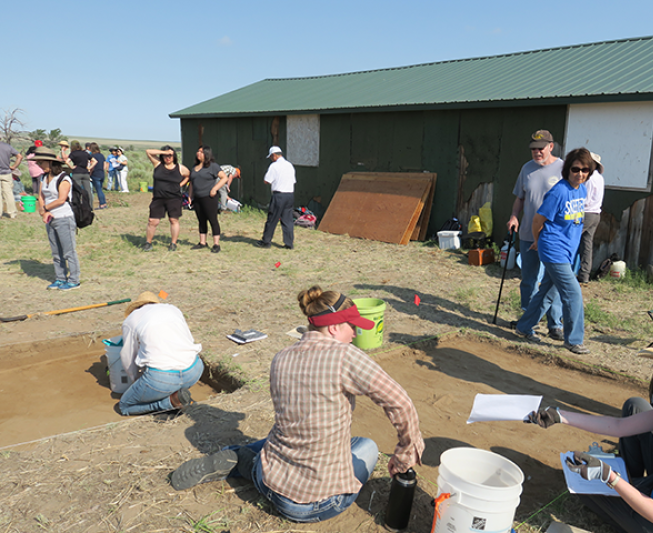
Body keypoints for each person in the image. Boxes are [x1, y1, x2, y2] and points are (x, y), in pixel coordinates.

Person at [170, 286, 424, 523]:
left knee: (290, 432)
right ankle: (245, 459)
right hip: (315, 504)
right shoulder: (346, 356)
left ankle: (243, 458)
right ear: (334, 328)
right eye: (352, 326)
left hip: (268, 480)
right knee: (367, 446)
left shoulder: (281, 357)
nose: (356, 333)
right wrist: (405, 454)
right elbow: (400, 402)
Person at [527, 332, 653, 533]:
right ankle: (633, 485)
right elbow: (621, 427)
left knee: (586, 488)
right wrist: (560, 416)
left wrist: (610, 477)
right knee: (636, 405)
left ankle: (629, 492)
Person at [515, 147, 593, 354]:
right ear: (568, 169)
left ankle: (523, 327)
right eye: (576, 169)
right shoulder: (559, 191)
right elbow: (538, 219)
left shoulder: (582, 189)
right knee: (573, 293)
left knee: (547, 293)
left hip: (567, 251)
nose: (580, 174)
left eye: (585, 170)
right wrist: (538, 242)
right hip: (552, 249)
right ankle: (574, 340)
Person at [507, 131, 564, 340]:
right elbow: (520, 198)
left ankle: (555, 324)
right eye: (533, 148)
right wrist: (514, 216)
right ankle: (529, 320)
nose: (536, 152)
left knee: (552, 280)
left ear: (551, 146)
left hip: (551, 236)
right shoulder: (526, 168)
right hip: (527, 234)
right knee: (528, 279)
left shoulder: (563, 169)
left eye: (540, 148)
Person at [118, 291, 204, 416]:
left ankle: (168, 403)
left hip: (161, 379)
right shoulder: (172, 309)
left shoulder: (131, 320)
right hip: (194, 371)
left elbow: (127, 357)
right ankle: (177, 394)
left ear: (136, 307)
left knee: (124, 406)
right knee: (166, 382)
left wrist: (137, 382)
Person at [32, 147, 81, 290]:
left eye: (40, 162)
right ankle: (60, 278)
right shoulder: (43, 177)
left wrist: (46, 209)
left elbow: (61, 199)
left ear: (50, 162)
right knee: (56, 252)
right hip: (50, 219)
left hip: (64, 218)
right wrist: (43, 211)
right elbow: (41, 196)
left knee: (68, 251)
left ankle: (74, 280)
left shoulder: (63, 178)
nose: (38, 165)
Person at [143, 146, 190, 251]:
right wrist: (164, 151)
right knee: (152, 221)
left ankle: (173, 243)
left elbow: (188, 176)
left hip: (174, 198)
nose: (168, 158)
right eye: (165, 156)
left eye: (170, 155)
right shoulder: (158, 164)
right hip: (158, 198)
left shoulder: (180, 168)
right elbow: (148, 151)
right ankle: (148, 242)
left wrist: (180, 185)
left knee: (173, 220)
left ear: (174, 156)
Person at [188, 145, 227, 253]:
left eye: (201, 152)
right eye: (198, 151)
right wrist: (190, 195)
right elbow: (191, 182)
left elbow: (224, 178)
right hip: (197, 198)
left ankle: (216, 244)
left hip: (209, 197)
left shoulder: (213, 166)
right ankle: (202, 242)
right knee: (201, 220)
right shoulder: (194, 167)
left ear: (206, 154)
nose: (198, 153)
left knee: (212, 220)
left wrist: (215, 189)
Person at [256, 146, 295, 249]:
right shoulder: (289, 165)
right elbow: (293, 181)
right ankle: (289, 243)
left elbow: (267, 180)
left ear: (274, 155)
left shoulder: (274, 166)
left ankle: (266, 241)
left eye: (270, 157)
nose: (271, 159)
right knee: (287, 220)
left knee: (272, 218)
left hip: (279, 195)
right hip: (290, 194)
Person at [578, 152, 605, 284]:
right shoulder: (599, 177)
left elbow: (585, 199)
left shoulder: (590, 178)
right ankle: (584, 275)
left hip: (586, 213)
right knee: (586, 245)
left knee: (571, 240)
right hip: (596, 214)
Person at [68, 140, 95, 208]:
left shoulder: (73, 153)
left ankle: (77, 205)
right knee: (88, 190)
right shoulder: (85, 153)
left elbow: (67, 161)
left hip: (77, 173)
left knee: (77, 190)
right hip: (85, 173)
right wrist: (89, 168)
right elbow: (94, 161)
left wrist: (71, 167)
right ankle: (90, 206)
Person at [0, 140, 23, 218]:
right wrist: (13, 167)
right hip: (6, 173)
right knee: (8, 193)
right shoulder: (7, 146)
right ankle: (12, 213)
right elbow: (20, 157)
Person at [89, 142, 107, 209]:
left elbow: (92, 166)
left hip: (95, 174)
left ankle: (102, 204)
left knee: (98, 190)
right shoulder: (101, 155)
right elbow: (105, 165)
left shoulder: (92, 156)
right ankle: (104, 203)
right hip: (101, 174)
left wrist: (90, 173)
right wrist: (102, 170)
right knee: (100, 190)